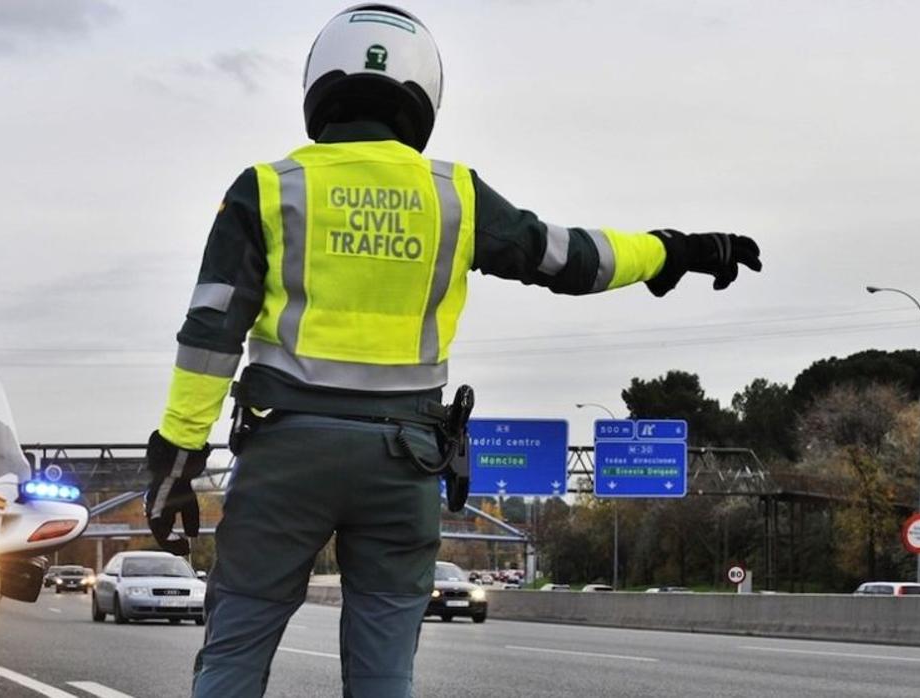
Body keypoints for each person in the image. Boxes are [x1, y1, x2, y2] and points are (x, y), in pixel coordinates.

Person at [143, 4, 762, 697]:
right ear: (421, 96)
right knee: (384, 668)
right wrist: (671, 250)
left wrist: (178, 452)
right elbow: (568, 256)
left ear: (319, 86)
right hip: (403, 462)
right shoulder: (454, 197)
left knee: (235, 651)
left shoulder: (267, 188)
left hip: (285, 456)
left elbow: (211, 331)